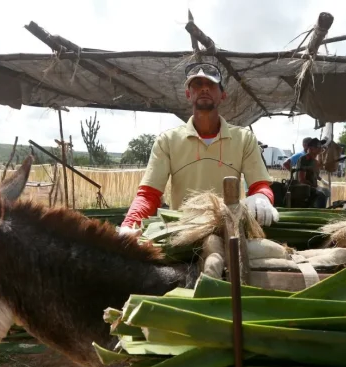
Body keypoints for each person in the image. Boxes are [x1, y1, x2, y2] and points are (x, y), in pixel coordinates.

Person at [119, 62, 278, 237]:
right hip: (183, 234)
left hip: (229, 232)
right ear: (188, 94)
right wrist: (129, 224)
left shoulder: (244, 139)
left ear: (222, 95)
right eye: (197, 85)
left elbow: (259, 185)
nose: (204, 89)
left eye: (211, 84)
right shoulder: (168, 141)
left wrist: (262, 197)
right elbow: (149, 194)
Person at [295, 138, 329, 208]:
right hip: (303, 189)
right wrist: (315, 187)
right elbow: (301, 180)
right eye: (318, 146)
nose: (320, 148)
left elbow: (314, 175)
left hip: (311, 188)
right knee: (321, 195)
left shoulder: (315, 161)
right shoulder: (304, 159)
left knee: (327, 191)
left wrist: (322, 180)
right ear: (310, 148)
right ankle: (318, 213)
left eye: (320, 146)